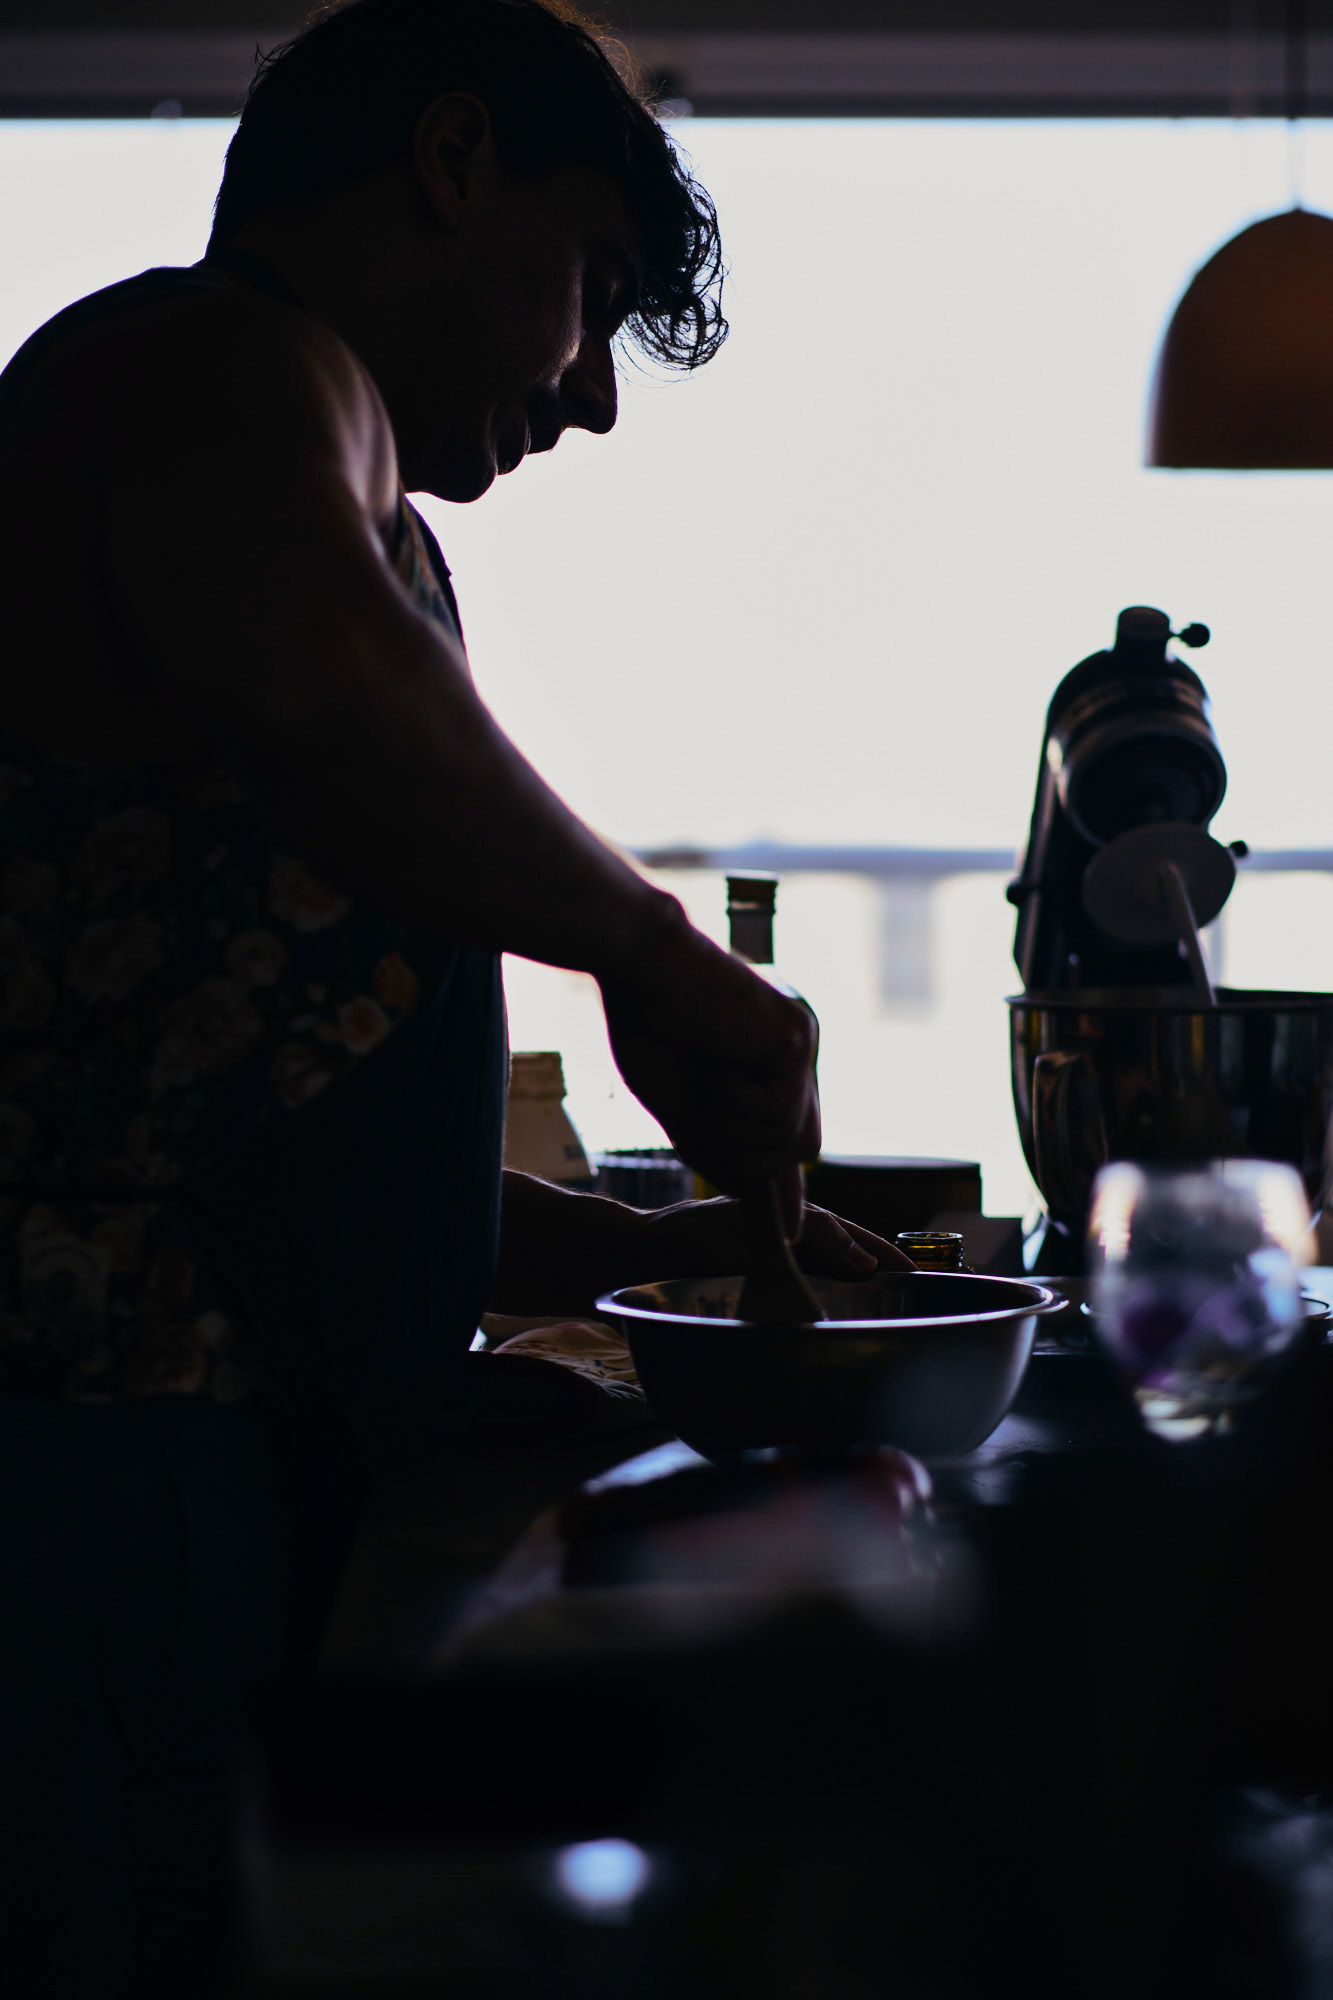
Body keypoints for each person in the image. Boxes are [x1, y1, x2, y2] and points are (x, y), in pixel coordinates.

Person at [0, 2, 904, 1992]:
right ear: (454, 164)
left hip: (189, 1457)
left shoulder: (323, 476)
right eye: (591, 292)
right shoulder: (208, 360)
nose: (588, 396)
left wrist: (625, 1255)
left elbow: (214, 1110)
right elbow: (320, 680)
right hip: (90, 1468)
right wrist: (650, 948)